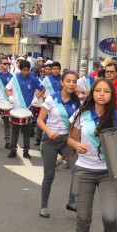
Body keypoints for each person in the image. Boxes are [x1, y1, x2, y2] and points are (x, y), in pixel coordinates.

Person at [67, 77, 117, 232]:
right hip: (84, 171)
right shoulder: (80, 115)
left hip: (109, 173)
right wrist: (76, 145)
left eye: (106, 91)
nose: (102, 94)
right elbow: (70, 138)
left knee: (109, 217)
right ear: (92, 93)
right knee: (83, 218)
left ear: (112, 95)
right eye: (98, 90)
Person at [38, 69, 81, 217]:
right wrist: (49, 131)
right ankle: (44, 206)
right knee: (49, 175)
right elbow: (39, 120)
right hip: (50, 140)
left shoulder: (77, 102)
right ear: (62, 82)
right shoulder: (51, 99)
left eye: (74, 82)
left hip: (67, 141)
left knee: (77, 170)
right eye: (68, 81)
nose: (71, 84)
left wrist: (75, 140)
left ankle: (72, 201)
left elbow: (77, 123)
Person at [6, 59, 43, 158]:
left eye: (28, 70)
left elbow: (43, 89)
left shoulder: (33, 79)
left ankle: (26, 151)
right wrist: (10, 96)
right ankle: (13, 150)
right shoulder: (15, 78)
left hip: (28, 110)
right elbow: (6, 89)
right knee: (14, 132)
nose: (26, 72)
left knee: (27, 133)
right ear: (20, 69)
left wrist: (36, 97)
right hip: (16, 110)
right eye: (24, 70)